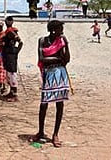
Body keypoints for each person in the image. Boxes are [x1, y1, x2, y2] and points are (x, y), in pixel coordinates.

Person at [31, 20, 71, 148]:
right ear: (53, 30)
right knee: (44, 104)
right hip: (48, 73)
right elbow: (42, 59)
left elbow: (66, 60)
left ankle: (55, 134)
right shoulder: (42, 40)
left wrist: (66, 45)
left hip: (60, 73)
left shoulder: (61, 42)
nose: (62, 31)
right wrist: (58, 58)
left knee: (60, 104)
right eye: (60, 29)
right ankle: (41, 131)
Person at [1, 16, 22, 101]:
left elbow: (20, 41)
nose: (8, 22)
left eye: (9, 21)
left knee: (12, 73)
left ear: (12, 22)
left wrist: (16, 51)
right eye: (7, 21)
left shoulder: (11, 31)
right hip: (8, 53)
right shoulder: (8, 31)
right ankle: (11, 92)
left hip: (11, 54)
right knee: (8, 73)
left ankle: (14, 94)